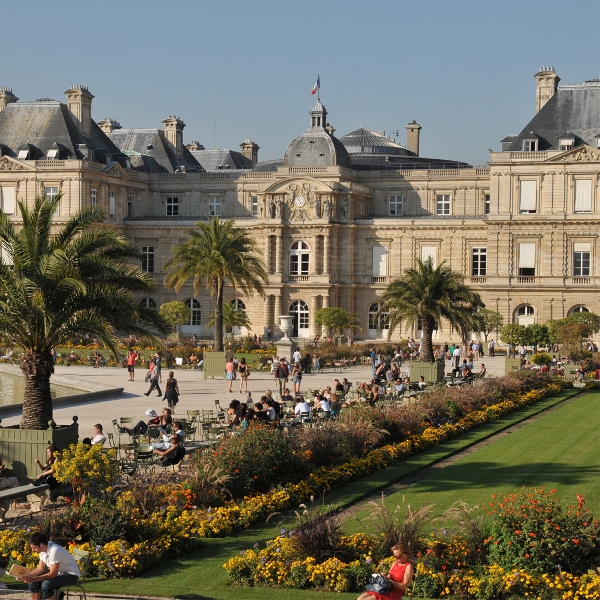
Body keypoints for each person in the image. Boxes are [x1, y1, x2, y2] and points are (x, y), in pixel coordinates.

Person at [20, 532, 81, 600]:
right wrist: (26, 576)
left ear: (41, 545)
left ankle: (57, 596)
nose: (32, 550)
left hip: (72, 575)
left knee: (46, 585)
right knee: (32, 583)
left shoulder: (55, 551)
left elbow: (52, 574)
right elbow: (40, 569)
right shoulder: (42, 550)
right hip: (59, 573)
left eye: (34, 548)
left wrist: (33, 578)